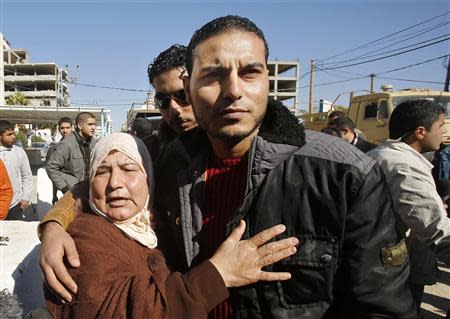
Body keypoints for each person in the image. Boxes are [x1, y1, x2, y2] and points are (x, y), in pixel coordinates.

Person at [39, 16, 418, 318]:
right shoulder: (170, 163)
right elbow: (101, 183)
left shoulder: (342, 174)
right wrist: (54, 226)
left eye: (250, 72)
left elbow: (381, 306)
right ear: (193, 84)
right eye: (214, 75)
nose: (234, 90)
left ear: (267, 80)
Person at [45, 132, 298, 318]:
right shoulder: (85, 238)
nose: (114, 183)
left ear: (150, 180)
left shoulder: (154, 225)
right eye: (102, 172)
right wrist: (218, 274)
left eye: (128, 169)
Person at [367, 99, 450, 309]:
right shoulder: (405, 166)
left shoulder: (381, 154)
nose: (443, 133)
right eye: (440, 127)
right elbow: (437, 230)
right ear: (420, 132)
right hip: (383, 271)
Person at [144, 44, 198, 162]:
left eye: (182, 95)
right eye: (163, 100)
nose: (174, 109)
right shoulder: (149, 154)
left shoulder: (235, 146)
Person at [46, 112, 97, 193]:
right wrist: (65, 189)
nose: (94, 127)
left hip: (91, 191)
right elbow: (51, 168)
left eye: (94, 124)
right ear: (80, 126)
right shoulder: (67, 144)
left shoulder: (94, 143)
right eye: (90, 124)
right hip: (74, 192)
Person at [0, 120, 33, 220]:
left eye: (13, 133)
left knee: (14, 234)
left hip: (15, 205)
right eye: (9, 134)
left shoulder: (19, 152)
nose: (13, 137)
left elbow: (27, 176)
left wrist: (25, 198)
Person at [45, 117, 73, 204]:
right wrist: (54, 195)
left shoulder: (80, 147)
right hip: (63, 192)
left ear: (72, 128)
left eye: (68, 128)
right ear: (59, 129)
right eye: (62, 128)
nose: (65, 131)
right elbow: (53, 174)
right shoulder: (53, 150)